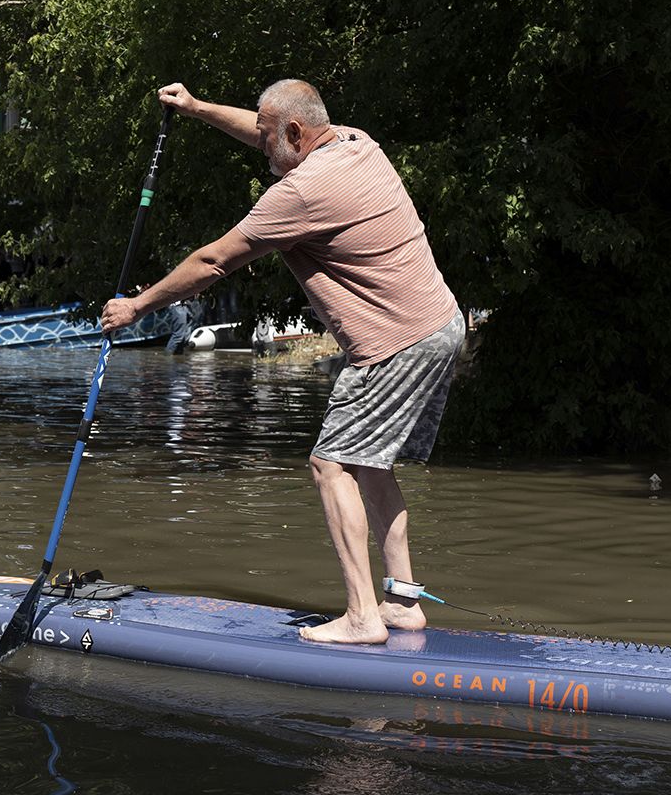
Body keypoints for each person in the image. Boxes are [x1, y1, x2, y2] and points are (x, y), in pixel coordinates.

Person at [100, 80, 465, 646]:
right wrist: (197, 110)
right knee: (369, 463)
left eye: (268, 135)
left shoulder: (299, 193)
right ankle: (403, 602)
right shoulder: (354, 142)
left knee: (330, 464)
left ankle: (363, 617)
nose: (261, 144)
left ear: (295, 133)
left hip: (396, 341)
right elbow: (267, 129)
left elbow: (215, 261)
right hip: (440, 325)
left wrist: (137, 307)